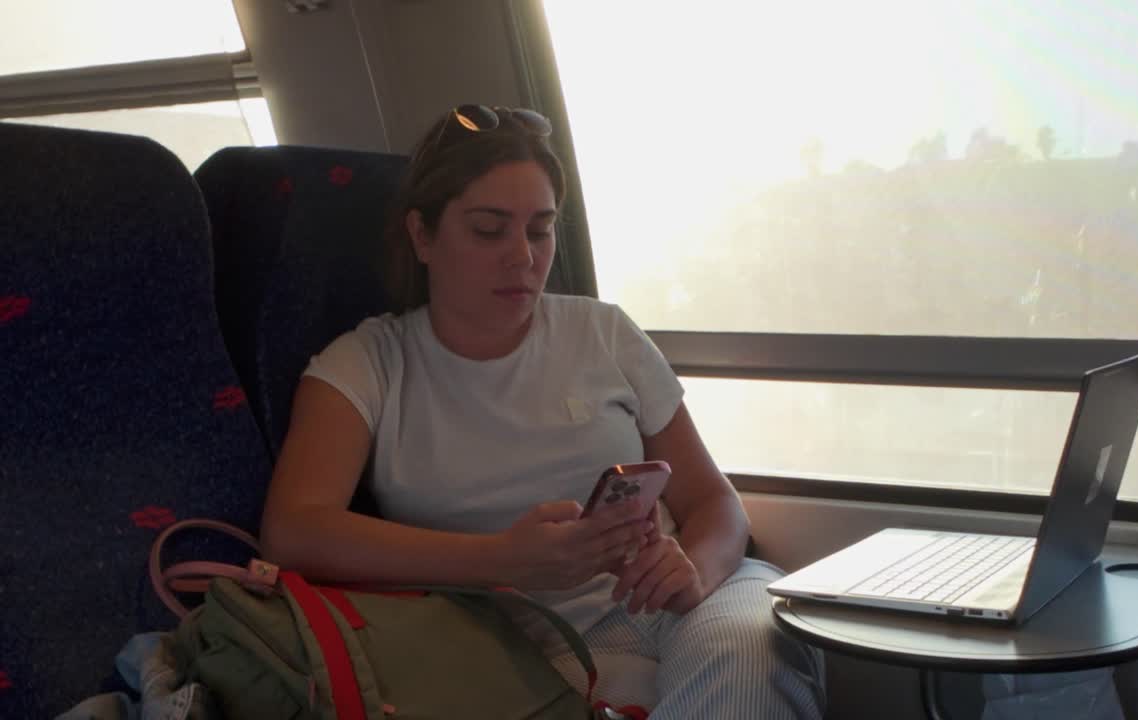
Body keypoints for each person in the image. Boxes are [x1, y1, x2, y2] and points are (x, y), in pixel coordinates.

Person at [259, 104, 826, 718]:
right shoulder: (368, 364)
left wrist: (693, 569)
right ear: (422, 235)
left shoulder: (603, 333)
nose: (523, 257)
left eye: (540, 230)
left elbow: (714, 501)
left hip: (675, 608)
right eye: (489, 230)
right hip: (513, 642)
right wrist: (502, 559)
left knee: (754, 650)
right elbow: (294, 530)